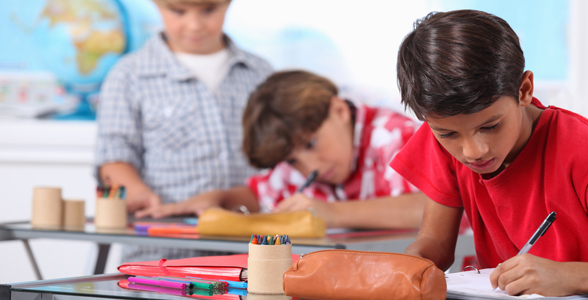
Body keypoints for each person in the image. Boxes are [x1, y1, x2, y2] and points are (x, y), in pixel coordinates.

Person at [391, 9, 588, 299]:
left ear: (524, 90)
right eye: (448, 135)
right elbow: (436, 246)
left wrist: (567, 277)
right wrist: (410, 266)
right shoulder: (445, 132)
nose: (473, 151)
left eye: (491, 126)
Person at [94, 0, 272, 262]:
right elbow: (114, 152)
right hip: (163, 252)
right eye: (178, 11)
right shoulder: (128, 75)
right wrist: (136, 190)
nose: (194, 24)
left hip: (249, 250)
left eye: (209, 10)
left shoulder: (260, 73)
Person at [136, 70, 426, 229]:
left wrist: (332, 213)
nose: (308, 166)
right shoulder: (299, 165)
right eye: (292, 159)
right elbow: (257, 195)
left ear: (338, 110)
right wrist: (218, 199)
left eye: (311, 143)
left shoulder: (396, 137)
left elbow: (433, 207)